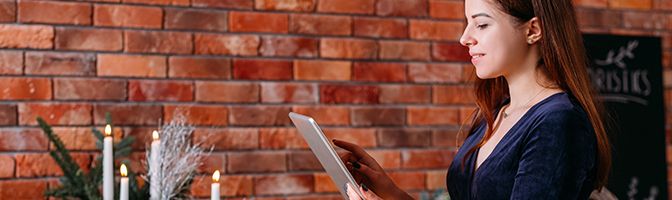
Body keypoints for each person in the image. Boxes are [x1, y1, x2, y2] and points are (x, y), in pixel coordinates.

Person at [334, 0, 612, 199]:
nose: (465, 38)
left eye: (481, 24)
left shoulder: (558, 121)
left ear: (533, 30)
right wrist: (390, 192)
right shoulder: (496, 114)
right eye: (467, 24)